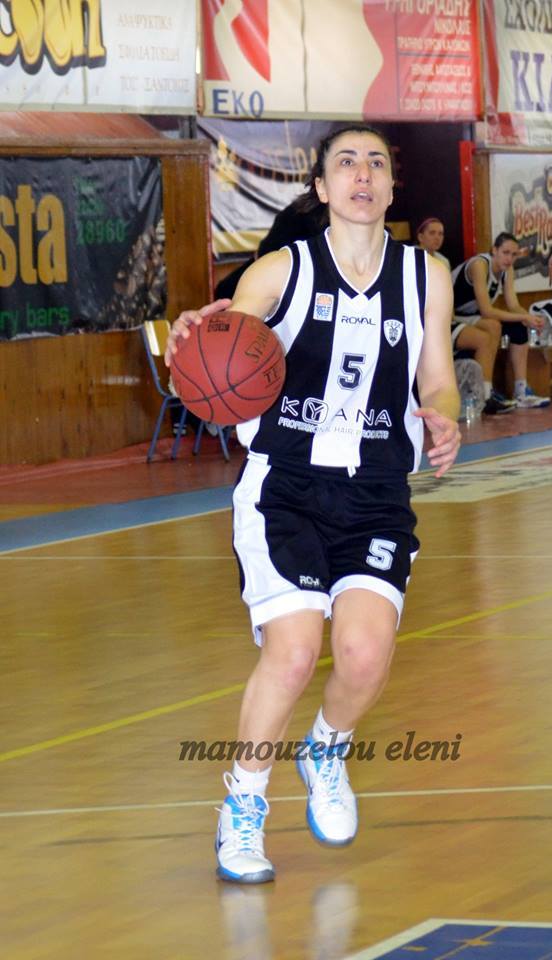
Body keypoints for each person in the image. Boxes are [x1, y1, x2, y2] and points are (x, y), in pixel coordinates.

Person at [165, 124, 461, 884]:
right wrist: (197, 333)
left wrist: (445, 414)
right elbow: (225, 331)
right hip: (286, 487)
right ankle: (244, 802)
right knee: (294, 651)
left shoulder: (425, 275)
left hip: (375, 489)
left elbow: (436, 376)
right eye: (345, 163)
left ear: (391, 185)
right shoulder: (282, 269)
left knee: (363, 654)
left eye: (376, 163)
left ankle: (326, 748)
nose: (362, 174)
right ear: (322, 188)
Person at [451, 233, 550, 412]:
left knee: (520, 327)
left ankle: (521, 391)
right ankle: (485, 394)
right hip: (453, 316)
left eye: (514, 254)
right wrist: (524, 317)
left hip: (474, 317)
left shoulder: (507, 270)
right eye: (505, 253)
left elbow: (514, 305)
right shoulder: (479, 265)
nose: (509, 259)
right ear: (494, 250)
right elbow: (486, 311)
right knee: (493, 325)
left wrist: (531, 319)